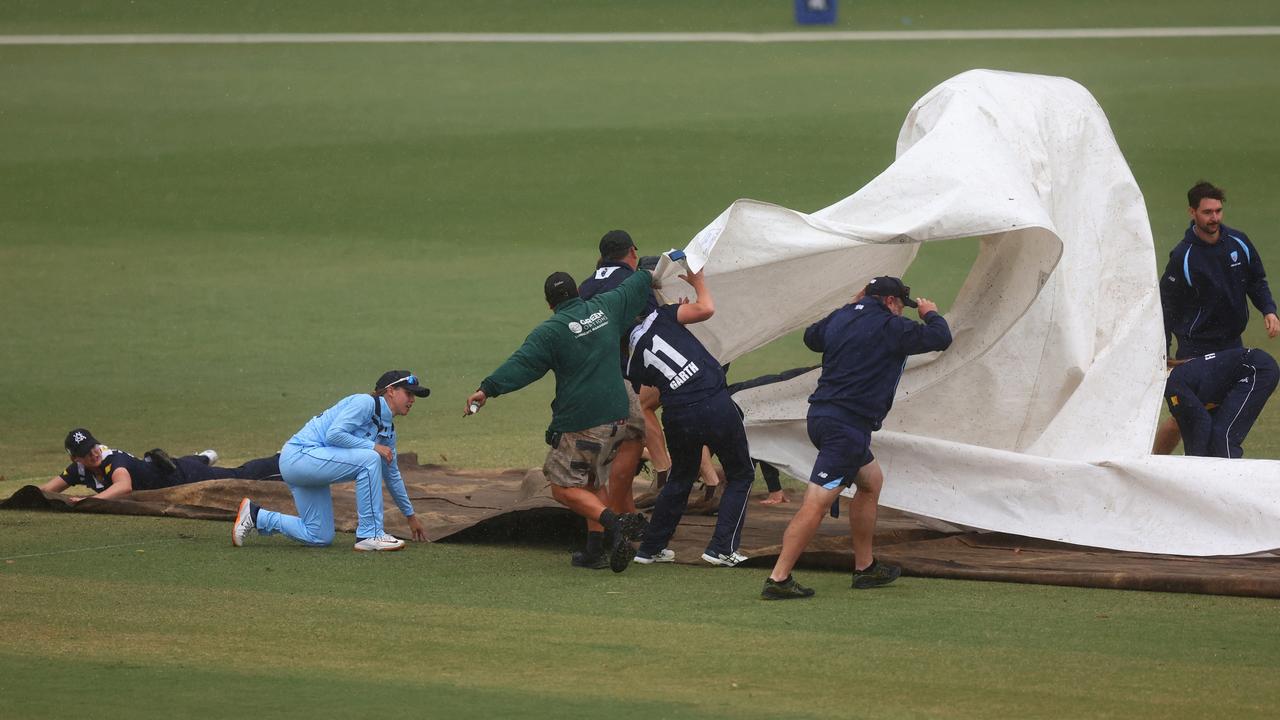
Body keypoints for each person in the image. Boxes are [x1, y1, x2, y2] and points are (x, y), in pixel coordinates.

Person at [762, 277, 952, 600]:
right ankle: (778, 578)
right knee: (816, 504)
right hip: (846, 428)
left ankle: (865, 568)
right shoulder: (892, 328)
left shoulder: (843, 316)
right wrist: (929, 313)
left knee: (870, 481)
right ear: (891, 301)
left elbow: (811, 337)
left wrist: (851, 306)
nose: (901, 314)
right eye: (900, 307)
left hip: (822, 418)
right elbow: (941, 337)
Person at [465, 269, 652, 572]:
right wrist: (653, 269)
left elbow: (522, 364)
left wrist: (487, 389)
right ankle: (595, 551)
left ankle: (616, 524)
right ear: (578, 292)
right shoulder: (604, 307)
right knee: (592, 479)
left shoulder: (551, 331)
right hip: (622, 415)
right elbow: (637, 283)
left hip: (587, 420)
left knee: (562, 488)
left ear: (549, 304)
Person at [626, 268, 755, 567]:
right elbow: (706, 308)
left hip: (678, 414)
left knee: (680, 478)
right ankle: (721, 548)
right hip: (713, 402)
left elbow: (662, 370)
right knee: (740, 474)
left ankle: (650, 549)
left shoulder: (632, 354)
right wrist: (698, 283)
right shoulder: (666, 315)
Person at [232, 371, 429, 552]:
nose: (412, 400)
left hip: (311, 467)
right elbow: (334, 434)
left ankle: (256, 516)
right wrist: (372, 447)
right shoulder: (366, 403)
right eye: (408, 393)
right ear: (391, 391)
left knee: (319, 536)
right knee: (370, 459)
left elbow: (392, 476)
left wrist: (410, 516)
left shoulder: (388, 431)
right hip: (299, 456)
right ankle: (370, 534)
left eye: (414, 396)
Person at [1155, 181, 1279, 453]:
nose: (1214, 218)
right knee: (1186, 418)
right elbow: (1166, 307)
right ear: (1192, 212)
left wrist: (1268, 309)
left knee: (1220, 412)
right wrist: (1163, 354)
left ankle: (1207, 463)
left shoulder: (1239, 242)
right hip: (1197, 346)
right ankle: (1152, 463)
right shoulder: (1183, 256)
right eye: (1207, 212)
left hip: (1231, 344)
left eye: (1218, 211)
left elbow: (1256, 280)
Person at [575, 230, 661, 564]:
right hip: (624, 381)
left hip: (590, 384)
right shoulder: (635, 282)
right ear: (632, 252)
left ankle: (599, 537)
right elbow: (650, 326)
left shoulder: (586, 286)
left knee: (595, 463)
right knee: (628, 444)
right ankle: (617, 523)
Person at [41, 428, 281, 504]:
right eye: (85, 453)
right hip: (162, 471)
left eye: (93, 447)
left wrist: (86, 501)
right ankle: (202, 457)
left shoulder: (113, 460)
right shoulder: (77, 470)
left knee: (238, 476)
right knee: (178, 463)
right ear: (76, 459)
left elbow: (123, 487)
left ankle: (281, 458)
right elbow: (47, 491)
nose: (93, 454)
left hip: (182, 477)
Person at [1164, 348, 1278, 458]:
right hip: (1256, 366)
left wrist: (1195, 462)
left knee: (1223, 436)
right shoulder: (1177, 378)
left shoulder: (1173, 384)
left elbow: (1201, 421)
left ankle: (1231, 477)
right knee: (1217, 437)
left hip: (1258, 370)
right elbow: (1189, 426)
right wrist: (1192, 456)